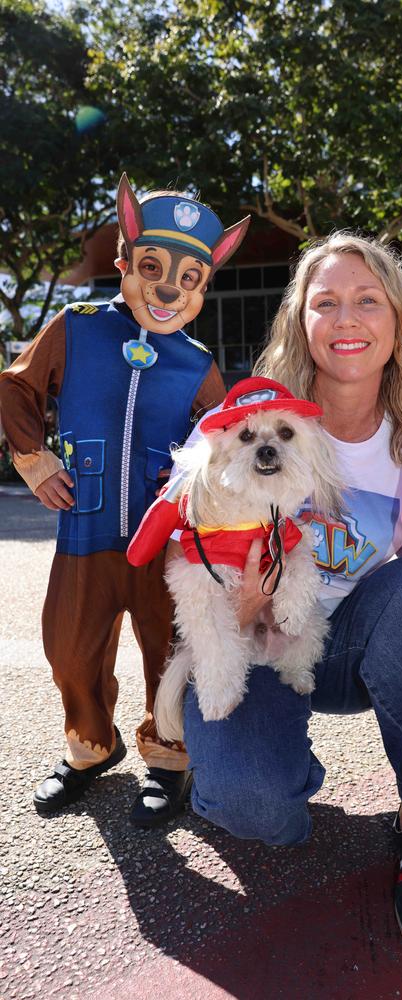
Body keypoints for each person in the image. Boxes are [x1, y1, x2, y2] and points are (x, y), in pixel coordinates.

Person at [170, 232, 402, 950]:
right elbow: (193, 560)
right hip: (261, 640)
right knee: (257, 810)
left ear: (398, 321)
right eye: (324, 302)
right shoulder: (250, 426)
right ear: (301, 321)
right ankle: (271, 761)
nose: (346, 319)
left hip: (361, 647)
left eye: (368, 300)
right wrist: (243, 604)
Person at [0, 173, 249, 827]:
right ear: (124, 265)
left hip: (164, 540)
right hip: (84, 531)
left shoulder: (196, 363)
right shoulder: (77, 329)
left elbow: (223, 442)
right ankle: (90, 749)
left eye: (189, 277)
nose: (169, 287)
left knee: (167, 651)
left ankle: (168, 762)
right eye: (152, 267)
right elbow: (17, 387)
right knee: (69, 647)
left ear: (202, 287)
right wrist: (32, 457)